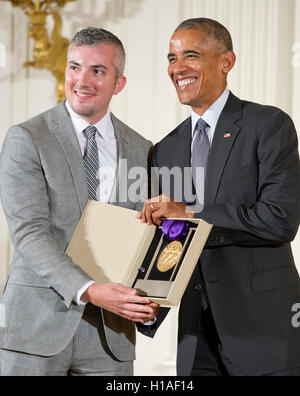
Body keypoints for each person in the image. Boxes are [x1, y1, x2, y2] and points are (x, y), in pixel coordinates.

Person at [139, 18, 300, 376]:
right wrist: (147, 303)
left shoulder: (268, 125)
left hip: (263, 328)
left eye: (190, 56)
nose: (177, 68)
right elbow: (173, 237)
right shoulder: (165, 148)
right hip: (196, 336)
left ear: (226, 61)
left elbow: (280, 219)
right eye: (171, 58)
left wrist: (192, 212)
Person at [0, 27, 158, 376]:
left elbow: (145, 237)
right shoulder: (27, 139)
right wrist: (90, 290)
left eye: (97, 70)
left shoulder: (142, 149)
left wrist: (152, 296)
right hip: (36, 329)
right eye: (74, 67)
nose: (81, 80)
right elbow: (29, 234)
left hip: (110, 336)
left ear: (119, 83)